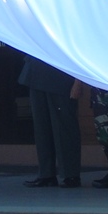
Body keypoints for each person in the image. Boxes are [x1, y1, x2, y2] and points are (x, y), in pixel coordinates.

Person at [18, 55, 82, 188]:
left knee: (64, 128)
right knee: (42, 129)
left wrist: (78, 82)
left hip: (61, 76)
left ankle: (70, 175)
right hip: (36, 72)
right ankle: (46, 174)